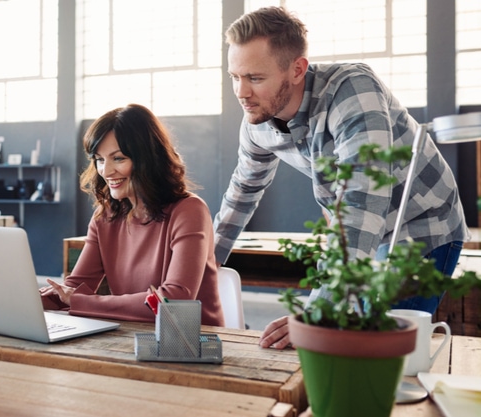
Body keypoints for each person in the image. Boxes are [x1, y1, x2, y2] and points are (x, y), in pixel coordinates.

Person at [214, 7, 469, 349]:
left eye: (255, 78)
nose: (241, 93)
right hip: (359, 234)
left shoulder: (352, 91)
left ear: (297, 69)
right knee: (346, 337)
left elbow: (363, 202)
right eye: (235, 76)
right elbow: (242, 192)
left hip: (420, 225)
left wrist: (315, 312)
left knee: (381, 346)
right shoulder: (258, 123)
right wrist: (206, 265)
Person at [39, 103, 224, 327]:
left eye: (118, 158)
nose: (106, 171)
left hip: (190, 345)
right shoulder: (105, 216)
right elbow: (75, 288)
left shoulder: (189, 211)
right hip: (132, 337)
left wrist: (81, 301)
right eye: (99, 159)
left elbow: (172, 302)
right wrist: (23, 301)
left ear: (148, 158)